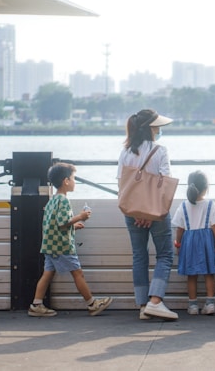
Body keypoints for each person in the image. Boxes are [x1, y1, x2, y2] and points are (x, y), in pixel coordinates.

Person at [28, 162, 113, 317]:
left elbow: (55, 224)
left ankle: (36, 304)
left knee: (47, 274)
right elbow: (62, 222)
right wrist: (81, 216)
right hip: (62, 246)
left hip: (49, 245)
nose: (75, 182)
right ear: (65, 181)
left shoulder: (52, 201)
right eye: (73, 178)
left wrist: (74, 226)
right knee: (77, 273)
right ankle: (92, 304)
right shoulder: (64, 201)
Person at [117, 109, 178, 320]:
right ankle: (156, 301)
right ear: (151, 129)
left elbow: (122, 184)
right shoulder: (160, 150)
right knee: (165, 254)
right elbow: (165, 180)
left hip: (131, 211)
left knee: (139, 256)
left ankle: (142, 305)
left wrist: (137, 212)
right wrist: (149, 213)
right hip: (156, 210)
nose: (160, 129)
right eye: (157, 126)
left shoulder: (125, 152)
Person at [171, 170, 215, 315]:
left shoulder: (183, 206)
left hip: (189, 242)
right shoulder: (211, 205)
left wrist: (178, 244)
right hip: (206, 241)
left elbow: (179, 229)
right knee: (209, 273)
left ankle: (193, 305)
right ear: (206, 188)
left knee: (191, 275)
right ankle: (210, 304)